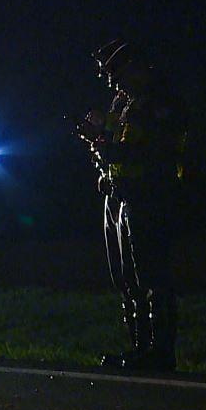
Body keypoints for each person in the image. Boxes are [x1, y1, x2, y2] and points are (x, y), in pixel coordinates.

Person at [84, 39, 189, 371]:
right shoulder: (123, 103)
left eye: (116, 73)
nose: (112, 82)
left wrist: (118, 154)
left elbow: (162, 151)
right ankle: (140, 348)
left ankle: (159, 352)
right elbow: (115, 145)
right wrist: (99, 139)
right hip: (122, 196)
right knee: (127, 278)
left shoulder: (160, 103)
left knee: (152, 277)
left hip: (151, 196)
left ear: (136, 68)